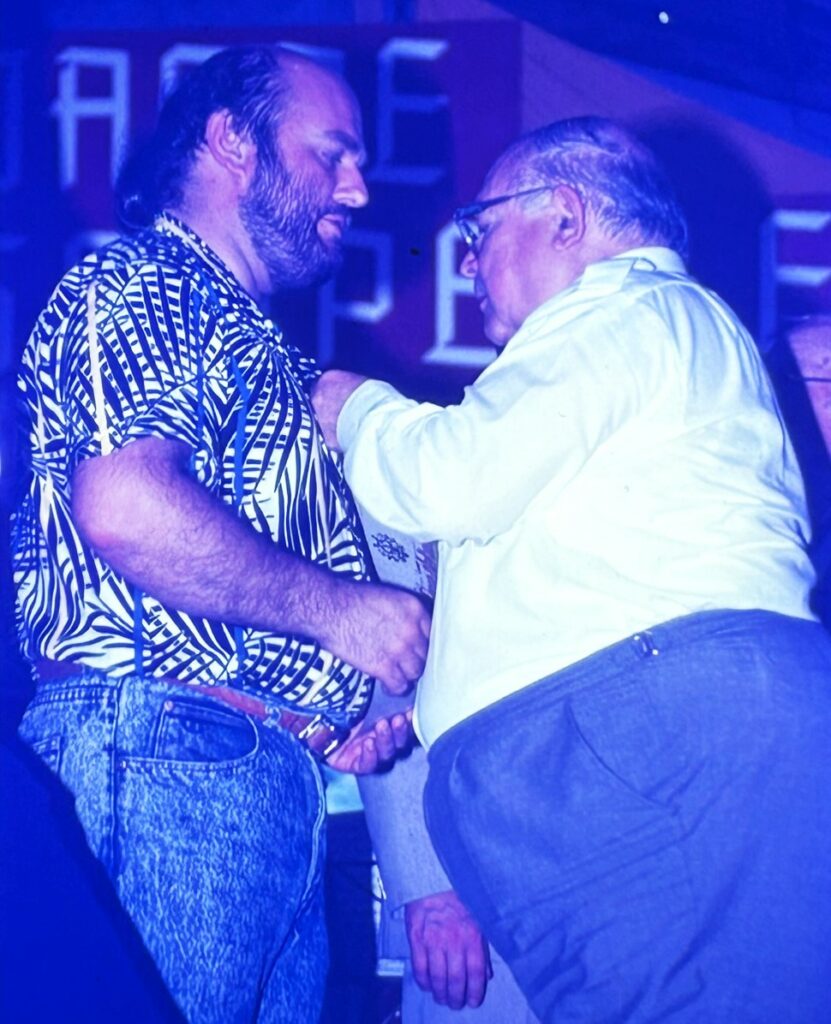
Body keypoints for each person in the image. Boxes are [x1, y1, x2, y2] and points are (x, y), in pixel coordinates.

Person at [312, 117, 831, 1023]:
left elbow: (446, 481)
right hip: (627, 742)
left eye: (479, 230)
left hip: (644, 736)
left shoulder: (624, 307)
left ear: (564, 215)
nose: (465, 262)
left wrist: (357, 410)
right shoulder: (641, 346)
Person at [12, 45, 432, 1024]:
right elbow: (125, 505)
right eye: (333, 152)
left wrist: (328, 710)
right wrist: (340, 615)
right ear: (230, 142)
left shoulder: (256, 341)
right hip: (164, 758)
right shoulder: (146, 281)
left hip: (247, 776)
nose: (358, 189)